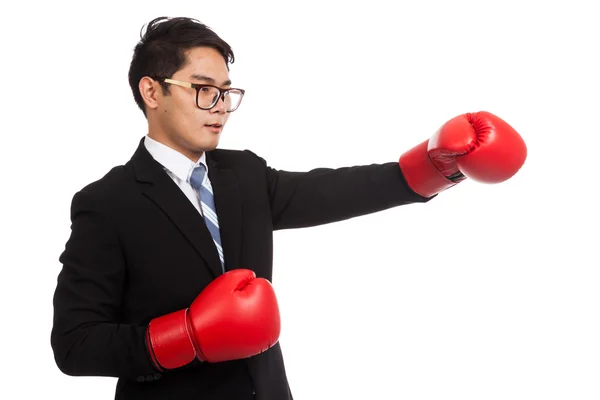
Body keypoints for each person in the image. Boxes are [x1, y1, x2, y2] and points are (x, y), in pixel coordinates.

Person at [50, 16, 527, 400]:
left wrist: (431, 166)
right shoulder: (106, 203)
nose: (219, 106)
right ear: (152, 91)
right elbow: (74, 344)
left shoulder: (243, 175)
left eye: (226, 91)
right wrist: (186, 337)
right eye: (202, 89)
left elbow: (332, 192)